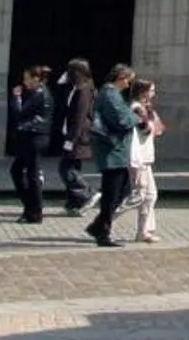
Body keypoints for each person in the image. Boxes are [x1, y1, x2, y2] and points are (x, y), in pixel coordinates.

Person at [85, 62, 137, 246]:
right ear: (121, 77)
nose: (128, 85)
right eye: (128, 80)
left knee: (124, 189)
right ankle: (103, 232)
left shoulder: (113, 94)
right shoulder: (110, 94)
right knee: (112, 193)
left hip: (117, 151)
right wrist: (136, 117)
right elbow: (122, 119)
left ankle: (98, 226)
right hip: (111, 150)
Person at [6, 66, 52, 224]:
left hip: (35, 138)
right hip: (31, 137)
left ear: (36, 78)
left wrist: (16, 98)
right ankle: (30, 207)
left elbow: (20, 113)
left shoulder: (39, 94)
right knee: (19, 171)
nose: (24, 82)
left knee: (31, 174)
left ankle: (34, 210)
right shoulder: (37, 93)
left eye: (27, 78)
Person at [122, 77, 165, 242]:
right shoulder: (136, 108)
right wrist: (152, 122)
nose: (153, 94)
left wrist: (153, 121)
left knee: (150, 195)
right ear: (143, 92)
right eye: (152, 90)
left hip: (145, 156)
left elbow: (159, 129)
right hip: (137, 157)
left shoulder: (146, 108)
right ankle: (106, 219)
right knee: (139, 195)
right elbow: (146, 128)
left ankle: (144, 231)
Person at [54, 60, 92, 214]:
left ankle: (87, 192)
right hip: (70, 133)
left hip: (76, 136)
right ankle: (74, 202)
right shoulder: (74, 88)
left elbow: (79, 117)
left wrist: (71, 139)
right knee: (73, 167)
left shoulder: (83, 90)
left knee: (66, 168)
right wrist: (61, 83)